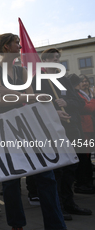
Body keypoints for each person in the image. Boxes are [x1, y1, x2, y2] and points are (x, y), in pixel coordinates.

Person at [0, 34, 66, 230]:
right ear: (6, 46)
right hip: (6, 130)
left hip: (29, 126)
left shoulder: (21, 71)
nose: (20, 46)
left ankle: (56, 225)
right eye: (17, 43)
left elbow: (31, 99)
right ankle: (17, 225)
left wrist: (52, 112)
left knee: (46, 176)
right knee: (11, 181)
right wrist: (25, 96)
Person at [33, 48, 92, 221]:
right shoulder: (38, 81)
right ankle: (57, 205)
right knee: (57, 169)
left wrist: (67, 102)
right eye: (52, 58)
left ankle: (69, 202)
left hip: (72, 129)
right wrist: (53, 110)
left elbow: (78, 102)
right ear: (44, 62)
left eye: (58, 57)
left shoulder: (64, 80)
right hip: (53, 130)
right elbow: (35, 105)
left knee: (71, 167)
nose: (57, 60)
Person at [68, 74, 95, 194]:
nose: (84, 83)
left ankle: (86, 181)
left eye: (85, 81)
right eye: (81, 81)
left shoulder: (84, 93)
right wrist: (93, 100)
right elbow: (86, 108)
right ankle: (83, 183)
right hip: (84, 127)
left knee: (87, 156)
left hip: (89, 127)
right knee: (84, 156)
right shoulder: (77, 94)